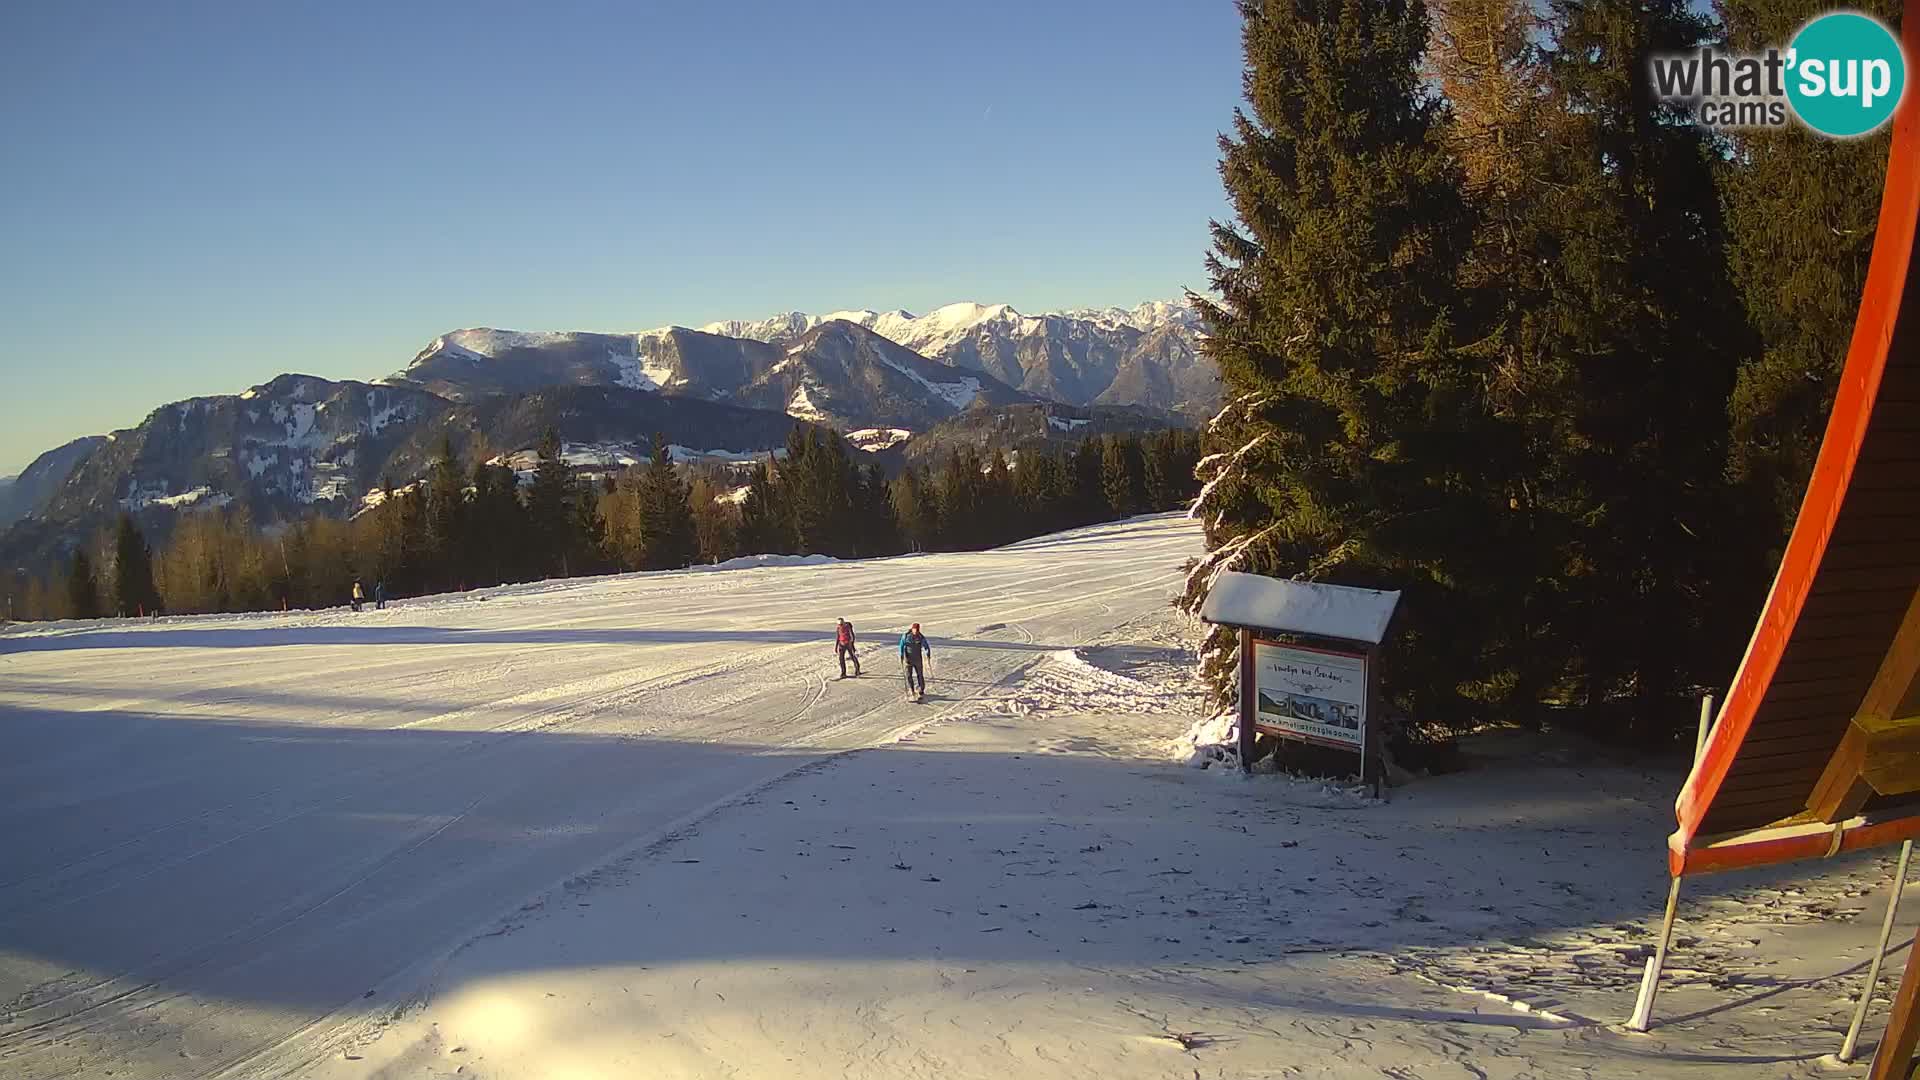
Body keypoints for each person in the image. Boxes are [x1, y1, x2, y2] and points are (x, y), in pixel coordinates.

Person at [899, 623, 932, 700]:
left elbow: (926, 646)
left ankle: (921, 689)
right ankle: (911, 689)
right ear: (912, 629)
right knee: (908, 675)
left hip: (918, 659)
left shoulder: (920, 637)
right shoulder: (906, 636)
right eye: (914, 630)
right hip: (908, 659)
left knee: (920, 674)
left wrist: (928, 653)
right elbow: (901, 645)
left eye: (917, 630)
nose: (915, 631)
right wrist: (901, 654)